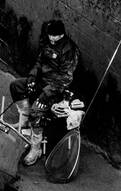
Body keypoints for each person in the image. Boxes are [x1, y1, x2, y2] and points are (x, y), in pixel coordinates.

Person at [10, 19, 80, 166]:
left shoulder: (69, 50)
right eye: (50, 35)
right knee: (16, 86)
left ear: (62, 35)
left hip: (56, 90)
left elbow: (65, 78)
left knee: (37, 111)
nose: (52, 38)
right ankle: (24, 122)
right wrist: (32, 77)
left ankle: (35, 149)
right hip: (42, 82)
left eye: (55, 36)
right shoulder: (47, 42)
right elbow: (39, 62)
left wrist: (46, 94)